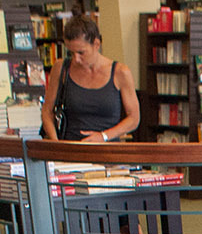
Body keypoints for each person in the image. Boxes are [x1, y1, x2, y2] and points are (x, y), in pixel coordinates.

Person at [40, 15, 140, 145]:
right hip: (71, 152)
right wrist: (56, 142)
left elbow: (134, 118)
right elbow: (47, 111)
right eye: (71, 53)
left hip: (108, 152)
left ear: (96, 44)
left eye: (81, 53)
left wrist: (104, 136)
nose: (76, 59)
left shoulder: (120, 72)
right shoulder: (62, 68)